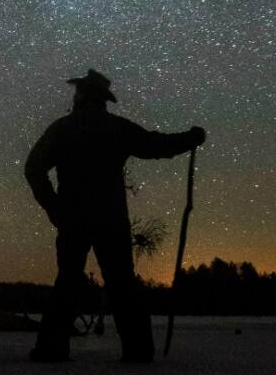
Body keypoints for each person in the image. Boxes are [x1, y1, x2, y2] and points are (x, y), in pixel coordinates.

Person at [25, 69, 205, 362]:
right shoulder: (116, 128)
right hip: (110, 219)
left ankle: (51, 348)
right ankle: (138, 350)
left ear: (82, 96)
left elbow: (33, 168)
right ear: (102, 99)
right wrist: (190, 139)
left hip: (74, 219)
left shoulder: (62, 129)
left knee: (68, 280)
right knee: (122, 283)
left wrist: (55, 207)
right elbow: (155, 145)